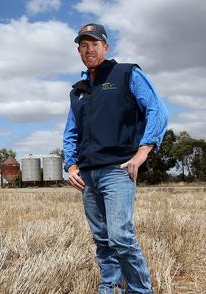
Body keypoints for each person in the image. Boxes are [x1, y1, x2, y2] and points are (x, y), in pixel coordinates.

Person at [63, 23, 168, 293]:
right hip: (88, 175)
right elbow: (71, 131)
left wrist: (144, 150)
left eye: (94, 44)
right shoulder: (78, 90)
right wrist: (71, 164)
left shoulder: (126, 73)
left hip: (116, 170)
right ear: (78, 51)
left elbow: (157, 109)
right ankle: (111, 287)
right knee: (102, 239)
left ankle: (140, 291)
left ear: (105, 47)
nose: (89, 50)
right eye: (83, 46)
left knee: (121, 237)